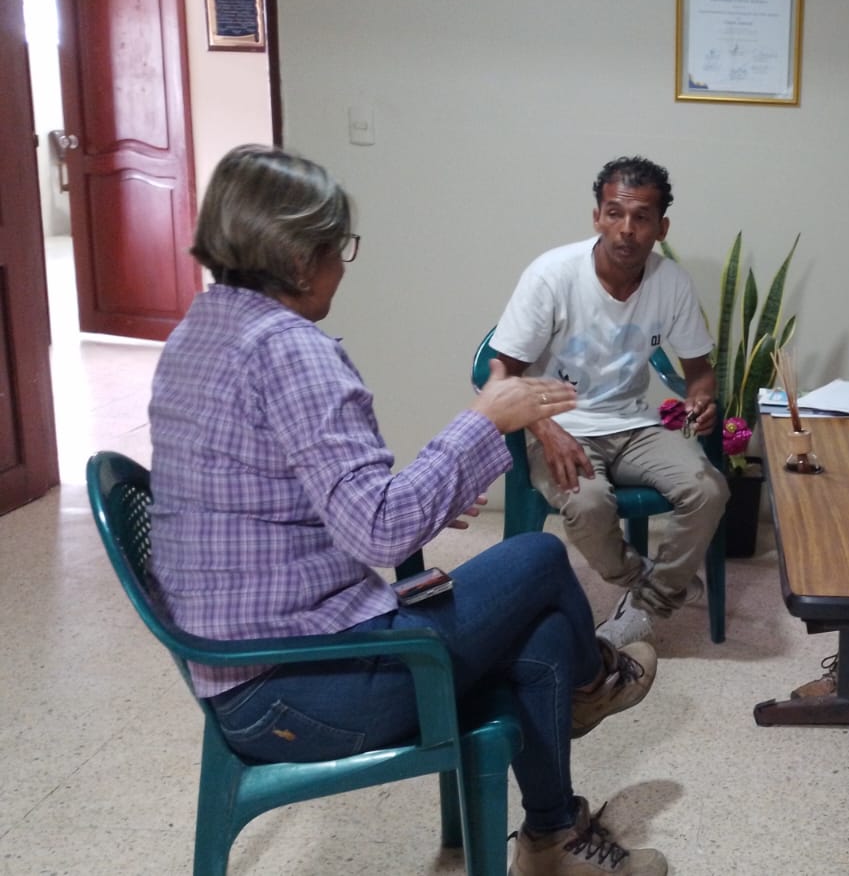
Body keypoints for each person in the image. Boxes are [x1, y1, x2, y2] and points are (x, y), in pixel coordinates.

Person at [148, 144, 668, 876]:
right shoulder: (291, 351)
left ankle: (555, 829)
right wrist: (486, 420)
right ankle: (594, 684)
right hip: (308, 689)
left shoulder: (200, 331)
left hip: (245, 675)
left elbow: (291, 493)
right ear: (297, 256)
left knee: (542, 619)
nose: (342, 266)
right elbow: (381, 531)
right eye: (337, 248)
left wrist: (429, 490)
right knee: (541, 558)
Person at [491, 156, 729, 649]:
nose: (626, 229)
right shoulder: (552, 275)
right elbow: (502, 373)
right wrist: (546, 431)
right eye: (615, 213)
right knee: (589, 502)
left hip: (633, 423)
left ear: (661, 228)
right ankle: (646, 581)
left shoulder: (672, 282)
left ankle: (647, 606)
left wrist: (700, 400)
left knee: (709, 490)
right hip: (557, 423)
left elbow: (699, 371)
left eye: (642, 217)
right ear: (597, 217)